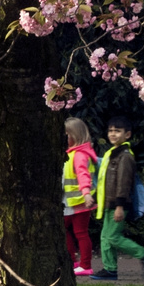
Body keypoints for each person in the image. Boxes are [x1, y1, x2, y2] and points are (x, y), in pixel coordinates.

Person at [89, 115, 144, 281]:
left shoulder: (125, 156)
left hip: (118, 204)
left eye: (117, 131)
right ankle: (110, 269)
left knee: (112, 237)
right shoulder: (112, 154)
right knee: (105, 237)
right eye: (110, 131)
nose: (112, 134)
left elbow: (124, 183)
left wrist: (119, 206)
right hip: (109, 203)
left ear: (127, 135)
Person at [61, 117, 99, 277]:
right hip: (71, 201)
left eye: (66, 135)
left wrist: (86, 194)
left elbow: (83, 176)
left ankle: (85, 265)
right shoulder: (73, 153)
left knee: (80, 232)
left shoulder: (79, 155)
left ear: (74, 136)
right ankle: (73, 261)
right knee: (66, 230)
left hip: (79, 202)